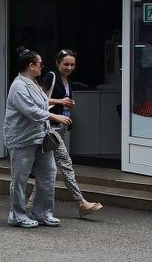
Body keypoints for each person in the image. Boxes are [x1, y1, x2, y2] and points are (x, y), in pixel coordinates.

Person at [4, 49, 67, 228]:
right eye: (40, 64)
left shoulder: (33, 82)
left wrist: (59, 103)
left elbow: (42, 103)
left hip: (40, 138)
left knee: (48, 174)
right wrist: (54, 116)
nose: (42, 66)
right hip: (22, 140)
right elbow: (31, 110)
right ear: (31, 65)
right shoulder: (18, 86)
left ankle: (42, 212)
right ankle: (17, 215)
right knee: (20, 179)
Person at [38, 49, 103, 217]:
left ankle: (30, 204)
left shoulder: (67, 80)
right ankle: (82, 203)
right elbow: (38, 99)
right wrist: (60, 101)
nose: (69, 67)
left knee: (48, 168)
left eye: (72, 65)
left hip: (61, 128)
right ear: (57, 63)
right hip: (50, 128)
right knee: (65, 164)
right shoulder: (52, 76)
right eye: (66, 64)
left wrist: (68, 105)